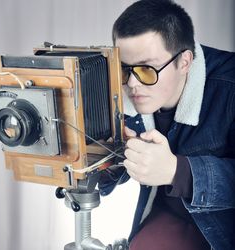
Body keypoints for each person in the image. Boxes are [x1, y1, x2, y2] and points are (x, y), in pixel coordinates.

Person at [98, 0, 235, 249]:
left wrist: (178, 171)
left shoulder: (230, 85)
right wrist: (111, 160)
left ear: (184, 62)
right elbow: (105, 180)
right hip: (167, 217)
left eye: (147, 69)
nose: (132, 85)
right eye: (125, 69)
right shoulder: (125, 87)